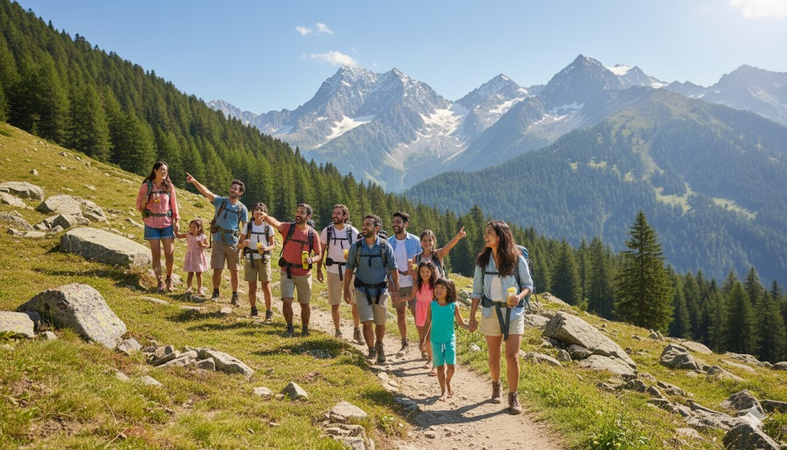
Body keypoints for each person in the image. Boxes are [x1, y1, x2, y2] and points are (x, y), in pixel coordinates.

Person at [468, 221, 533, 415]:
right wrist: (471, 317)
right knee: (494, 355)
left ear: (500, 236)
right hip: (490, 311)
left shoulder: (517, 259)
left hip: (514, 313)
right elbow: (477, 291)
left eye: (489, 233)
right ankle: (496, 385)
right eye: (485, 233)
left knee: (512, 356)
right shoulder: (482, 261)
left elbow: (528, 285)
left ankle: (513, 396)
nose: (485, 236)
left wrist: (519, 297)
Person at [185, 173, 248, 305]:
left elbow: (245, 227)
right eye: (232, 188)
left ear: (240, 193)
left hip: (234, 243)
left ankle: (235, 295)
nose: (232, 190)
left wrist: (242, 243)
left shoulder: (242, 209)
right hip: (218, 240)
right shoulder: (220, 201)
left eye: (235, 189)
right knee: (217, 269)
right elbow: (206, 191)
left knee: (234, 271)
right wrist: (195, 181)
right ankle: (215, 292)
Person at [344, 214, 399, 364]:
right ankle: (372, 350)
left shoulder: (384, 246)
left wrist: (396, 289)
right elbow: (349, 269)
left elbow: (394, 269)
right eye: (364, 224)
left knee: (380, 323)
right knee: (367, 322)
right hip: (362, 289)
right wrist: (346, 290)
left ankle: (379, 344)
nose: (364, 227)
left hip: (381, 290)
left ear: (377, 228)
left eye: (368, 224)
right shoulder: (356, 247)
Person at [261, 203, 322, 337]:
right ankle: (290, 327)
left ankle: (305, 329)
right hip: (287, 270)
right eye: (297, 211)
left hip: (304, 274)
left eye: (302, 212)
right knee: (287, 301)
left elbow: (319, 254)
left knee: (304, 304)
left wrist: (312, 260)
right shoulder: (289, 227)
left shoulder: (313, 234)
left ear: (308, 216)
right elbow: (276, 223)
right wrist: (265, 216)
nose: (298, 214)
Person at [316, 204, 361, 340]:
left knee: (355, 302)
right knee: (335, 302)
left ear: (345, 216)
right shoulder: (327, 231)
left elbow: (359, 251)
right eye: (334, 213)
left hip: (350, 270)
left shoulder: (353, 232)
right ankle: (337, 330)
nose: (335, 215)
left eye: (338, 213)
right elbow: (321, 251)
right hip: (332, 270)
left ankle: (356, 329)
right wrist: (318, 270)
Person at [136, 161, 180, 291]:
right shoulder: (146, 186)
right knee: (156, 255)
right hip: (151, 224)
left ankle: (169, 278)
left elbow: (174, 205)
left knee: (169, 253)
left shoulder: (169, 187)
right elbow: (139, 206)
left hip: (166, 223)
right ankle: (160, 281)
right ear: (155, 171)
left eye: (166, 170)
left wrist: (176, 221)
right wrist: (144, 200)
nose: (164, 172)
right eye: (162, 170)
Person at [424, 277, 469, 402]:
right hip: (435, 340)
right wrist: (423, 339)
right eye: (437, 287)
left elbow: (461, 323)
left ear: (449, 291)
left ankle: (448, 382)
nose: (438, 290)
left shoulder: (453, 306)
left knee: (451, 367)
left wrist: (469, 327)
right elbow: (427, 323)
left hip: (449, 340)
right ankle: (443, 391)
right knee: (439, 367)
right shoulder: (432, 305)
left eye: (442, 288)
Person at [387, 211, 422, 356]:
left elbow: (423, 260)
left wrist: (415, 272)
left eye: (398, 222)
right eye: (394, 222)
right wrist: (390, 283)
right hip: (396, 283)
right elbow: (386, 265)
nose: (395, 225)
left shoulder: (415, 241)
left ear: (405, 224)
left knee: (417, 313)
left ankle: (423, 344)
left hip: (413, 282)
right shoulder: (389, 242)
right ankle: (404, 343)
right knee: (400, 313)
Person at [400, 260, 439, 372]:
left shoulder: (435, 284)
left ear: (432, 272)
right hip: (420, 313)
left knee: (429, 340)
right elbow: (411, 296)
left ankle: (434, 362)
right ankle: (430, 358)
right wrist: (400, 298)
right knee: (422, 339)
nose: (425, 274)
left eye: (427, 271)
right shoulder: (418, 284)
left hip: (431, 313)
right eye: (422, 271)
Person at [240, 202, 275, 320]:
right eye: (256, 211)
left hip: (264, 258)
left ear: (265, 214)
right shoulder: (248, 226)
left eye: (261, 212)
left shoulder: (268, 227)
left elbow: (273, 245)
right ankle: (253, 309)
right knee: (252, 286)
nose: (259, 214)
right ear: (252, 213)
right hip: (250, 257)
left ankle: (269, 311)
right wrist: (244, 244)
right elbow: (240, 244)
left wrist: (266, 248)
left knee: (266, 285)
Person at [174, 219, 209, 297]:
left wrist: (203, 245)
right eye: (191, 227)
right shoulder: (188, 235)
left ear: (199, 228)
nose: (192, 229)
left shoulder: (203, 237)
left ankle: (200, 288)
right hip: (190, 256)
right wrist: (176, 231)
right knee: (190, 273)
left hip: (199, 257)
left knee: (199, 274)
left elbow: (208, 245)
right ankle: (189, 287)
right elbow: (179, 236)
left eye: (194, 227)